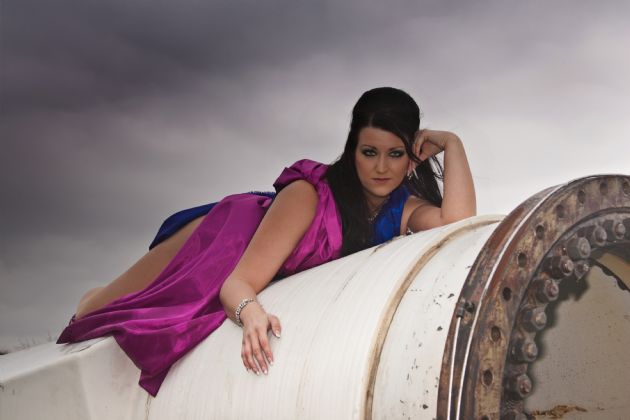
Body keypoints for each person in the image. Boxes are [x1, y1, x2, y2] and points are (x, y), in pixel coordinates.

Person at [57, 87, 476, 396]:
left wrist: (452, 143)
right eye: (369, 152)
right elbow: (237, 284)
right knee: (94, 312)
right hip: (217, 245)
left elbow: (457, 223)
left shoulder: (401, 208)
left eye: (395, 153)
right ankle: (95, 293)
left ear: (412, 155)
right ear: (352, 151)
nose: (382, 167)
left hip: (254, 261)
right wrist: (250, 311)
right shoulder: (310, 193)